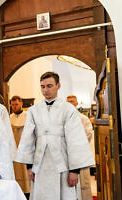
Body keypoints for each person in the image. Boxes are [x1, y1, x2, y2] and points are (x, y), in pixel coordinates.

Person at [15, 71, 95, 200]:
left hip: (63, 164)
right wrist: (29, 167)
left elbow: (76, 140)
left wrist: (74, 171)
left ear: (58, 86)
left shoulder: (68, 110)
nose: (45, 90)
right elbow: (27, 139)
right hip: (40, 164)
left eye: (49, 86)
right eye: (42, 86)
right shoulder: (33, 111)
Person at [66, 95, 95, 200]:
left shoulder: (83, 118)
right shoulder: (63, 119)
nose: (70, 103)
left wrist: (76, 144)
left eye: (72, 101)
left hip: (81, 155)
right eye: (68, 101)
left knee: (82, 183)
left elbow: (89, 134)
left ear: (76, 103)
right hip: (67, 157)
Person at [10, 96, 31, 199]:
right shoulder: (10, 117)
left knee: (26, 176)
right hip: (14, 151)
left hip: (25, 150)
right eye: (12, 105)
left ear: (21, 104)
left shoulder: (28, 116)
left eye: (16, 104)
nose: (14, 107)